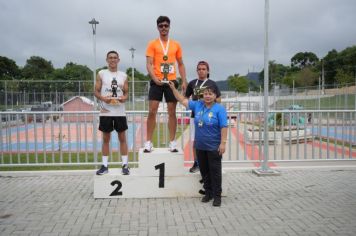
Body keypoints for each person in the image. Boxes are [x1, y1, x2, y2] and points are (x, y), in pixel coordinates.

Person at [168, 82, 227, 207]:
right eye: (205, 94)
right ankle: (208, 193)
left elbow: (224, 127)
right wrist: (173, 88)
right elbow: (182, 99)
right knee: (205, 172)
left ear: (215, 96)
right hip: (200, 146)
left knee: (215, 172)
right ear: (202, 95)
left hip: (214, 147)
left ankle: (217, 196)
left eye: (210, 94)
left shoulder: (219, 109)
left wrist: (223, 143)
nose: (207, 96)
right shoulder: (198, 105)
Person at [144, 15, 188, 153]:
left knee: (172, 112)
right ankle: (148, 142)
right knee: (152, 111)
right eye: (161, 25)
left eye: (166, 25)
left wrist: (184, 80)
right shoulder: (152, 44)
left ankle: (172, 142)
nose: (164, 28)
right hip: (157, 81)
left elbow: (180, 64)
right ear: (157, 27)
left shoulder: (176, 45)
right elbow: (149, 64)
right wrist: (154, 78)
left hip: (171, 81)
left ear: (169, 27)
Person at [94, 50, 130, 175]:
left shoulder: (123, 75)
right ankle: (104, 166)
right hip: (106, 111)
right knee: (105, 139)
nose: (113, 60)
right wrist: (104, 99)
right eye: (110, 58)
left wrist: (124, 98)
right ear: (107, 60)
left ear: (118, 60)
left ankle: (125, 165)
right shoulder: (102, 73)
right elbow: (96, 91)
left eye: (115, 58)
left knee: (122, 138)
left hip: (120, 111)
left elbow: (126, 93)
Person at [185, 61, 221, 173]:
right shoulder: (192, 83)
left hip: (209, 116)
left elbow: (219, 100)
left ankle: (207, 164)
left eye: (204, 69)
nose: (201, 71)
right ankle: (196, 162)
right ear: (197, 71)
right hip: (195, 116)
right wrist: (193, 103)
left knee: (208, 139)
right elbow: (185, 98)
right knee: (195, 140)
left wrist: (207, 100)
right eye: (199, 69)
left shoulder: (212, 84)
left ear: (208, 71)